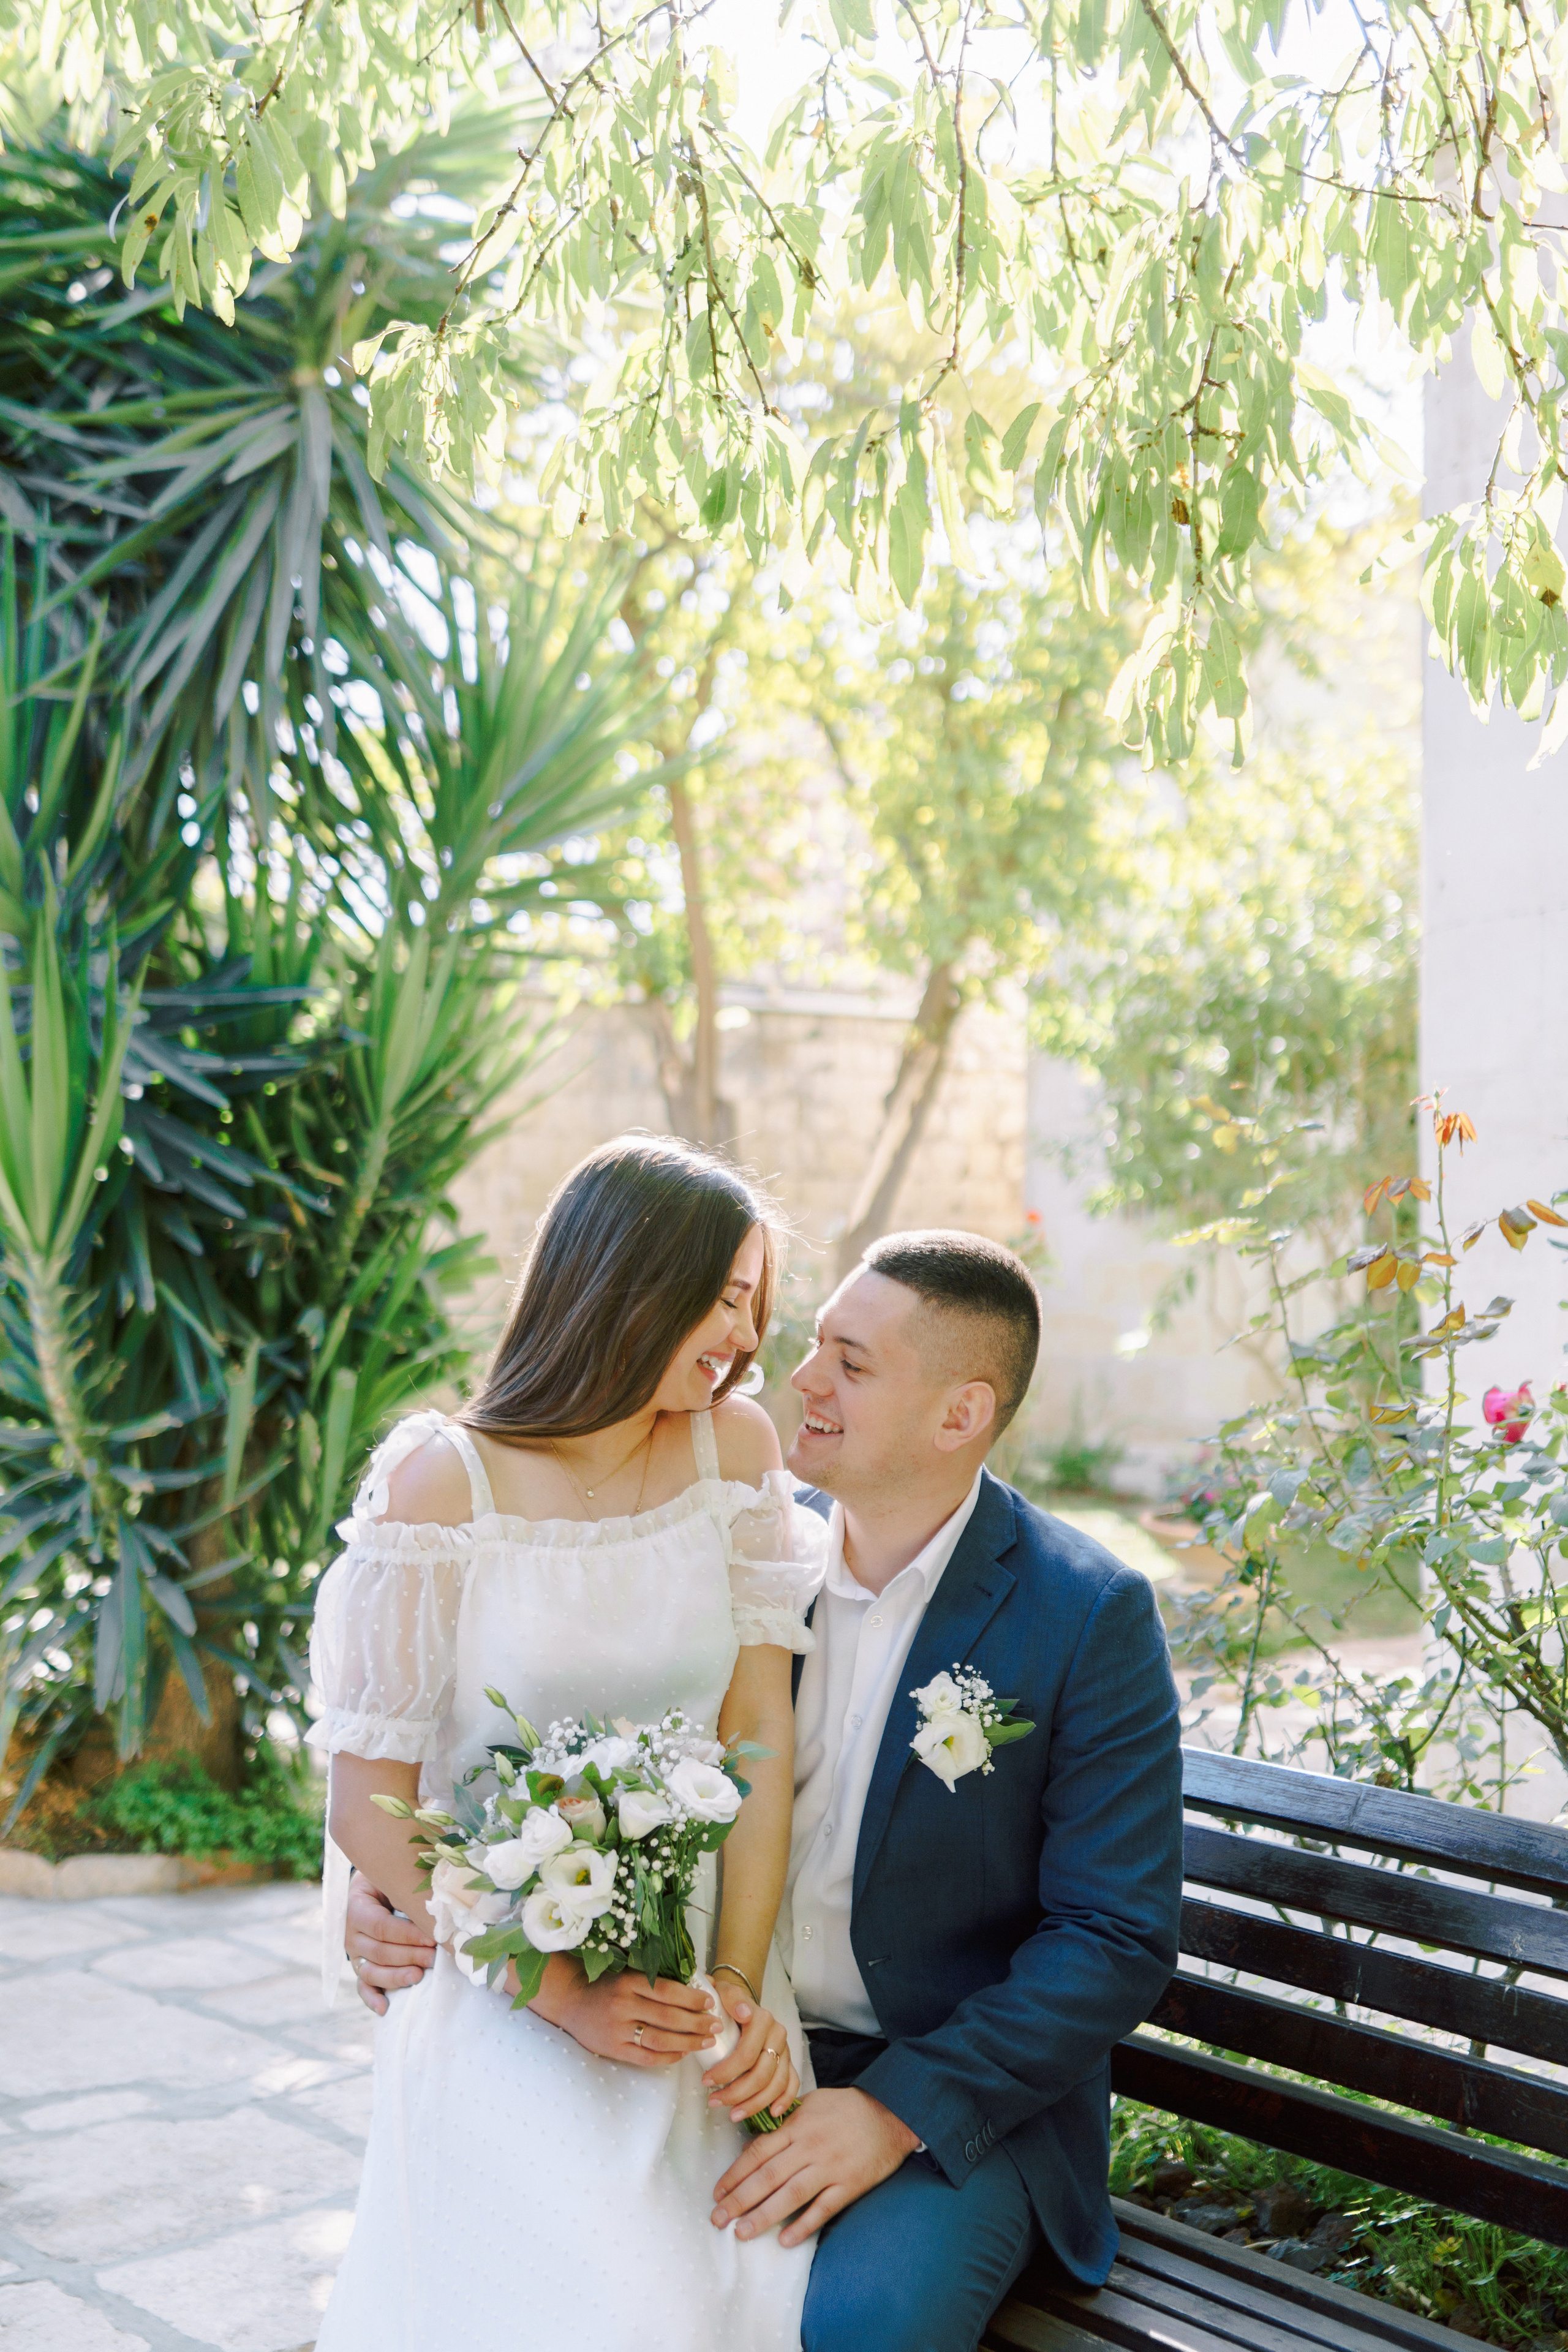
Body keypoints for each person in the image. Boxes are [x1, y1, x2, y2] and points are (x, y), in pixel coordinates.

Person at [349, 1225, 1185, 2352]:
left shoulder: (1083, 1612)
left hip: (940, 2086)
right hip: (710, 2038)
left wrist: (893, 2111)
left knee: (861, 2331)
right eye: (817, 1343)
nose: (801, 1378)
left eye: (852, 1362)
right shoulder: (735, 1540)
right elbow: (496, 1740)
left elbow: (1115, 1935)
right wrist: (401, 1898)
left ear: (959, 1415)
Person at [310, 1134, 827, 2352]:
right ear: (621, 1282)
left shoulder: (737, 1453)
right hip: (505, 1978)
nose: (740, 1334)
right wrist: (559, 1997)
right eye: (717, 1296)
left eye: (750, 1302)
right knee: (602, 2300)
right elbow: (369, 1801)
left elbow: (755, 1732)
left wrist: (737, 1986)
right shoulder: (442, 1487)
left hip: (699, 1965)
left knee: (748, 2288)